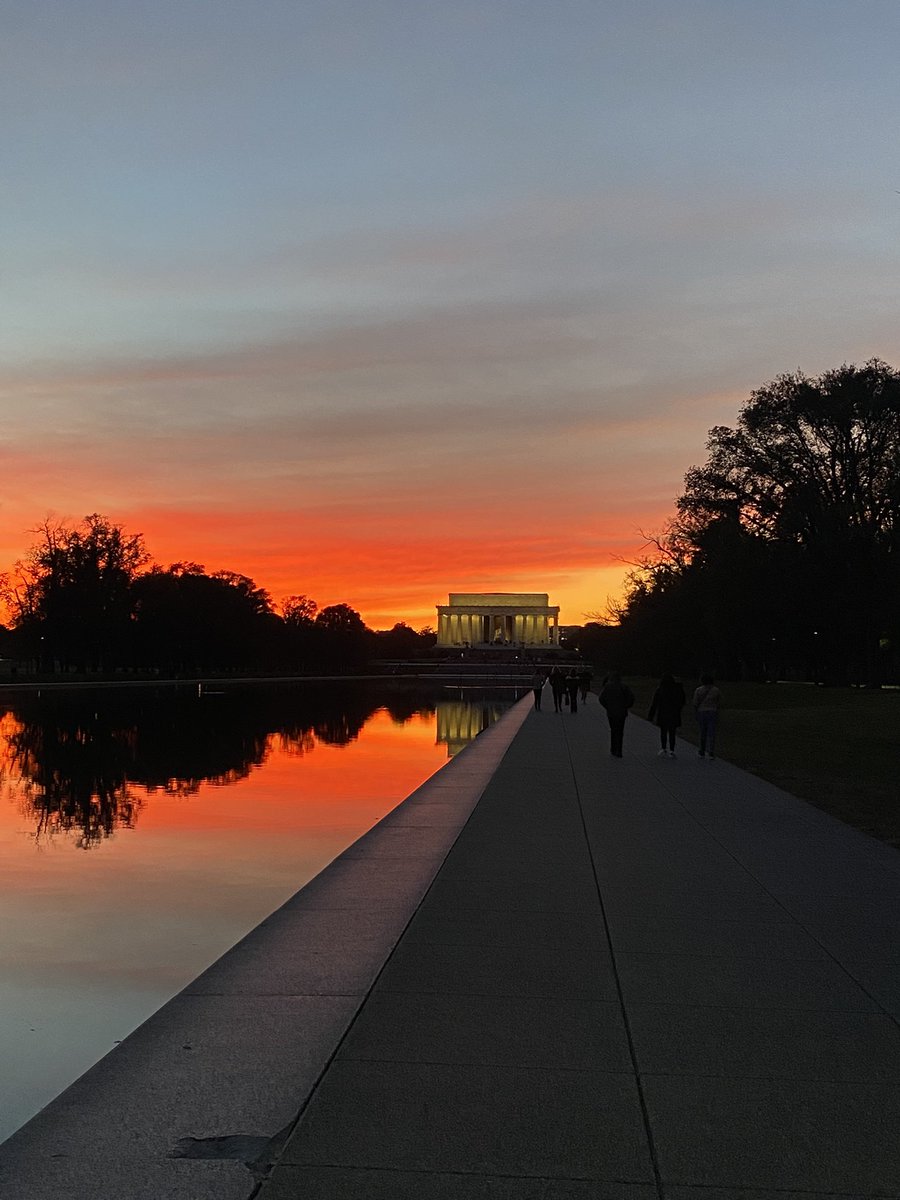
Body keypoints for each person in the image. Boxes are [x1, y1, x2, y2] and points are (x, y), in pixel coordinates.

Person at [648, 673, 686, 757]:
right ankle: (672, 750)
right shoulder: (678, 689)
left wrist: (651, 715)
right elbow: (683, 701)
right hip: (674, 713)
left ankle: (663, 748)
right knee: (672, 732)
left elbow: (654, 703)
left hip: (663, 712)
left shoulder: (660, 689)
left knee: (663, 731)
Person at [598, 671, 634, 756]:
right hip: (621, 712)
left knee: (613, 730)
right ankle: (619, 750)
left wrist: (607, 706)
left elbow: (601, 699)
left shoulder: (608, 687)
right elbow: (631, 698)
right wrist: (626, 706)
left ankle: (613, 748)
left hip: (611, 712)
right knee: (620, 731)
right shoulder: (624, 687)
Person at [693, 673, 722, 758]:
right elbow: (719, 702)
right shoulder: (716, 690)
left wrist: (695, 713)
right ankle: (711, 751)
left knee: (703, 732)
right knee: (711, 732)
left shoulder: (698, 690)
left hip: (702, 711)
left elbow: (695, 702)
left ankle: (702, 750)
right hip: (712, 711)